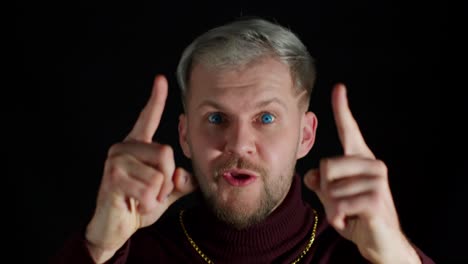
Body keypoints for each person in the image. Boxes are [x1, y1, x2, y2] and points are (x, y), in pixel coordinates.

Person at [50, 17, 435, 263]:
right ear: (185, 136)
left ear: (305, 136)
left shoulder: (363, 254)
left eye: (266, 118)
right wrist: (96, 249)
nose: (238, 143)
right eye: (216, 118)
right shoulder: (127, 253)